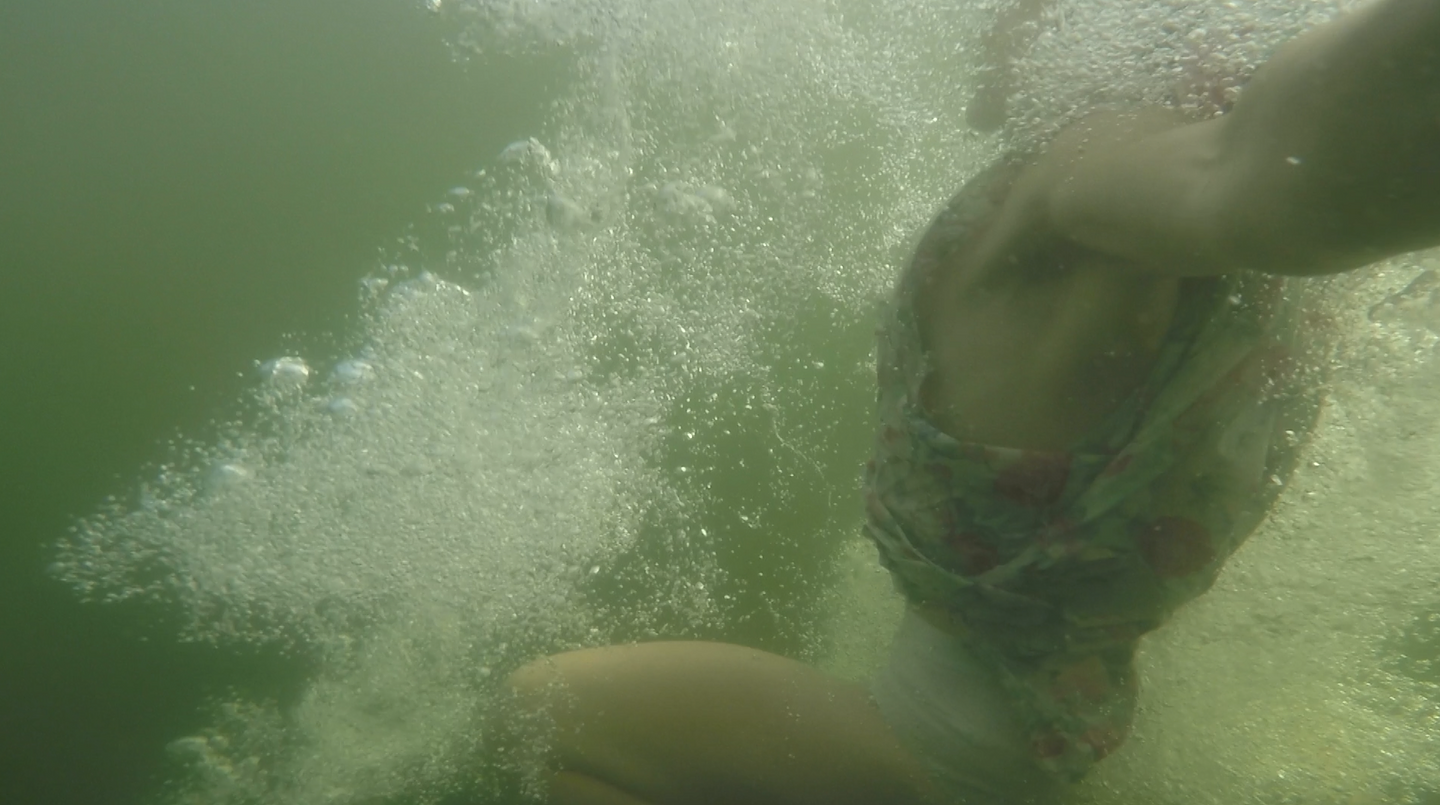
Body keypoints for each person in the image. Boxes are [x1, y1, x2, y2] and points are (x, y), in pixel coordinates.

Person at [499, 1, 1440, 802]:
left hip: (933, 752)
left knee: (549, 710)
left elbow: (1255, 183)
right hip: (1035, 728)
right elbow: (1253, 178)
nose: (983, 30)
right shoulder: (1219, 276)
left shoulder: (1093, 150)